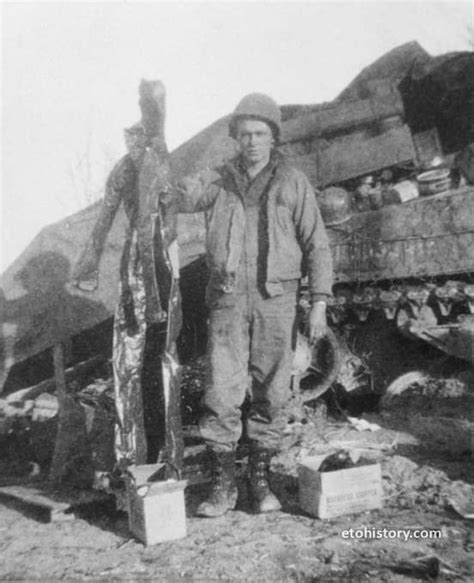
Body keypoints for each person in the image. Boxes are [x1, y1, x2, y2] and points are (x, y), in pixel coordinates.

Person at [176, 93, 333, 517]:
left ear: (273, 138)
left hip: (276, 301)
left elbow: (317, 245)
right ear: (234, 138)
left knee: (273, 390)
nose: (252, 141)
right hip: (227, 299)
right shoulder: (221, 180)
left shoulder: (292, 181)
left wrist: (318, 303)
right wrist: (198, 168)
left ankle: (261, 481)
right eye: (244, 134)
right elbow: (182, 199)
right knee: (221, 389)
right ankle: (223, 486)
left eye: (260, 133)